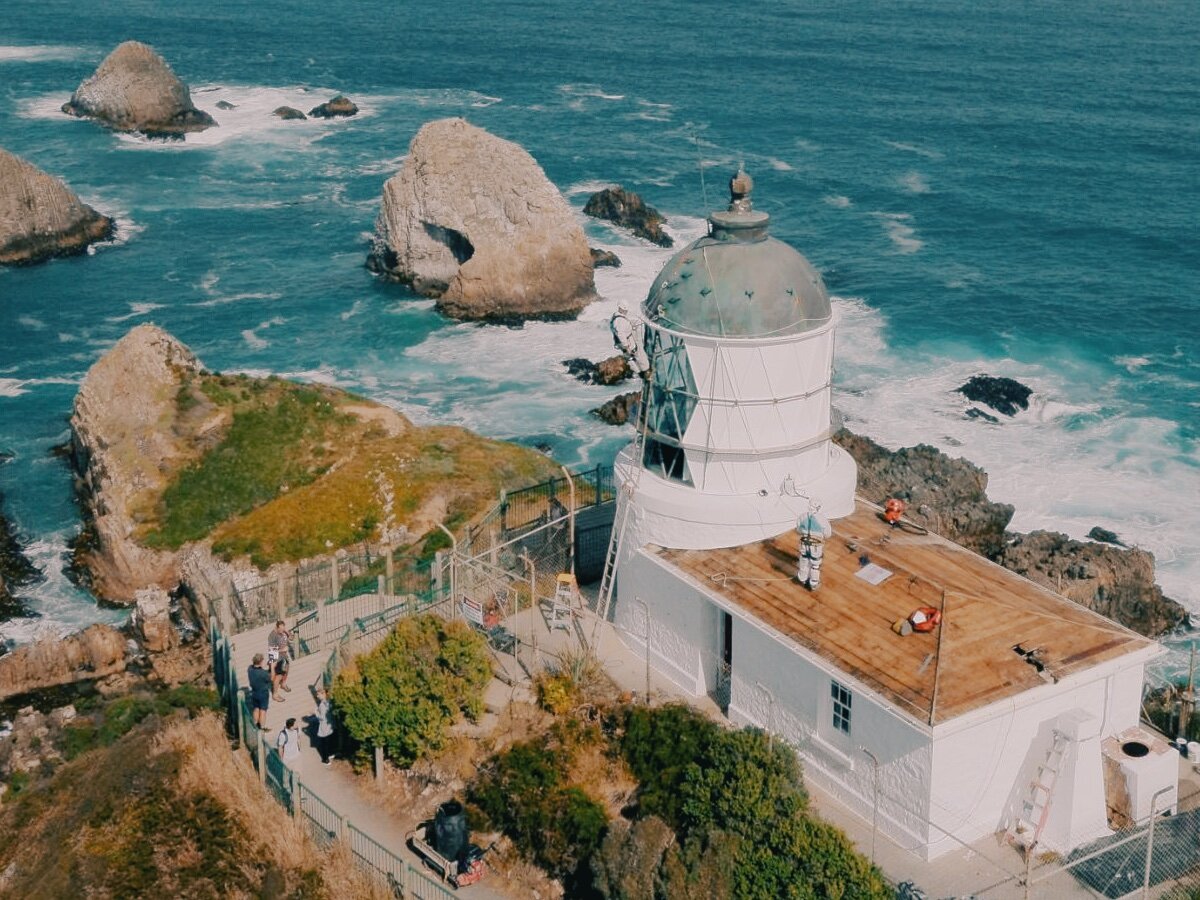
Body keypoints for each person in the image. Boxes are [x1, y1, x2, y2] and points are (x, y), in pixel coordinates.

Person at [610, 302, 650, 379]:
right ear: (621, 309)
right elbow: (621, 334)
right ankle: (643, 373)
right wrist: (626, 346)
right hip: (627, 342)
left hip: (622, 342)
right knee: (634, 355)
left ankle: (641, 372)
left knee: (631, 357)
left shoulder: (616, 317)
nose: (626, 311)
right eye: (625, 310)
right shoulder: (619, 321)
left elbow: (622, 328)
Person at [796, 511, 832, 591]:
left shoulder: (802, 516)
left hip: (804, 544)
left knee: (804, 561)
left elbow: (798, 529)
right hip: (816, 546)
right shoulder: (822, 519)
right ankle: (813, 584)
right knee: (815, 565)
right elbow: (828, 534)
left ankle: (803, 579)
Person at [267, 620, 292, 700]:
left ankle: (283, 684)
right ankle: (275, 694)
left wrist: (288, 633)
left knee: (287, 669)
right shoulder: (272, 636)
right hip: (277, 659)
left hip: (284, 657)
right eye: (280, 630)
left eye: (283, 629)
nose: (282, 631)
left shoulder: (283, 631)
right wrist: (283, 650)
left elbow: (291, 638)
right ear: (276, 627)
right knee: (278, 676)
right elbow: (272, 651)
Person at [247, 653, 272, 729]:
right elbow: (270, 678)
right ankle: (262, 728)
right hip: (263, 694)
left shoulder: (250, 669)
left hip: (254, 692)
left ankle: (255, 724)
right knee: (263, 711)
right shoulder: (263, 673)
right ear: (261, 661)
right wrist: (271, 667)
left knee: (256, 709)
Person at [314, 688, 336, 766]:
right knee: (330, 741)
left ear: (323, 694)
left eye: (318, 694)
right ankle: (331, 753)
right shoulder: (329, 702)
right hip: (330, 725)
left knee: (324, 744)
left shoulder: (322, 705)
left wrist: (316, 712)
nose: (317, 696)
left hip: (324, 727)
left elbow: (322, 717)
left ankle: (325, 759)